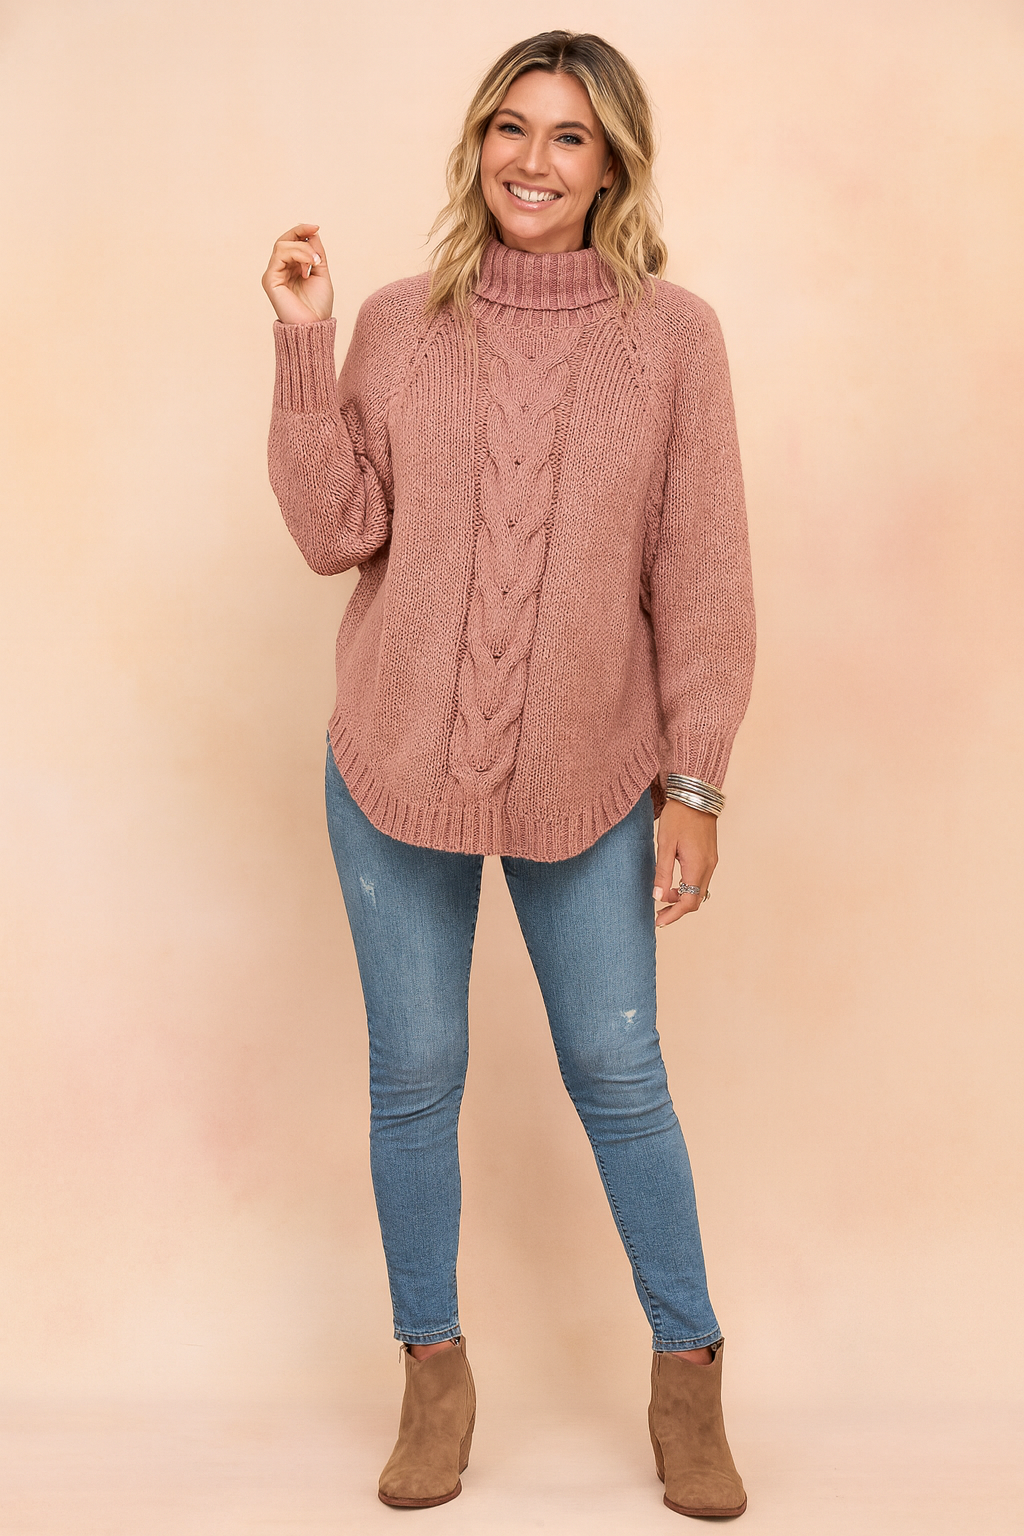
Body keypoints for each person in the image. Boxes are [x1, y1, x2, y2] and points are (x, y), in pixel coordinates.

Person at [262, 29, 755, 1520]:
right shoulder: (400, 323)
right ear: (478, 144)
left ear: (613, 168)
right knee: (414, 1078)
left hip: (591, 772)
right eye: (510, 129)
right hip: (393, 759)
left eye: (569, 137)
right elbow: (335, 532)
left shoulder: (674, 340)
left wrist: (695, 784)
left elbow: (703, 573)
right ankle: (434, 1374)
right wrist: (304, 341)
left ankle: (688, 1374)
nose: (532, 163)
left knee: (618, 1071)